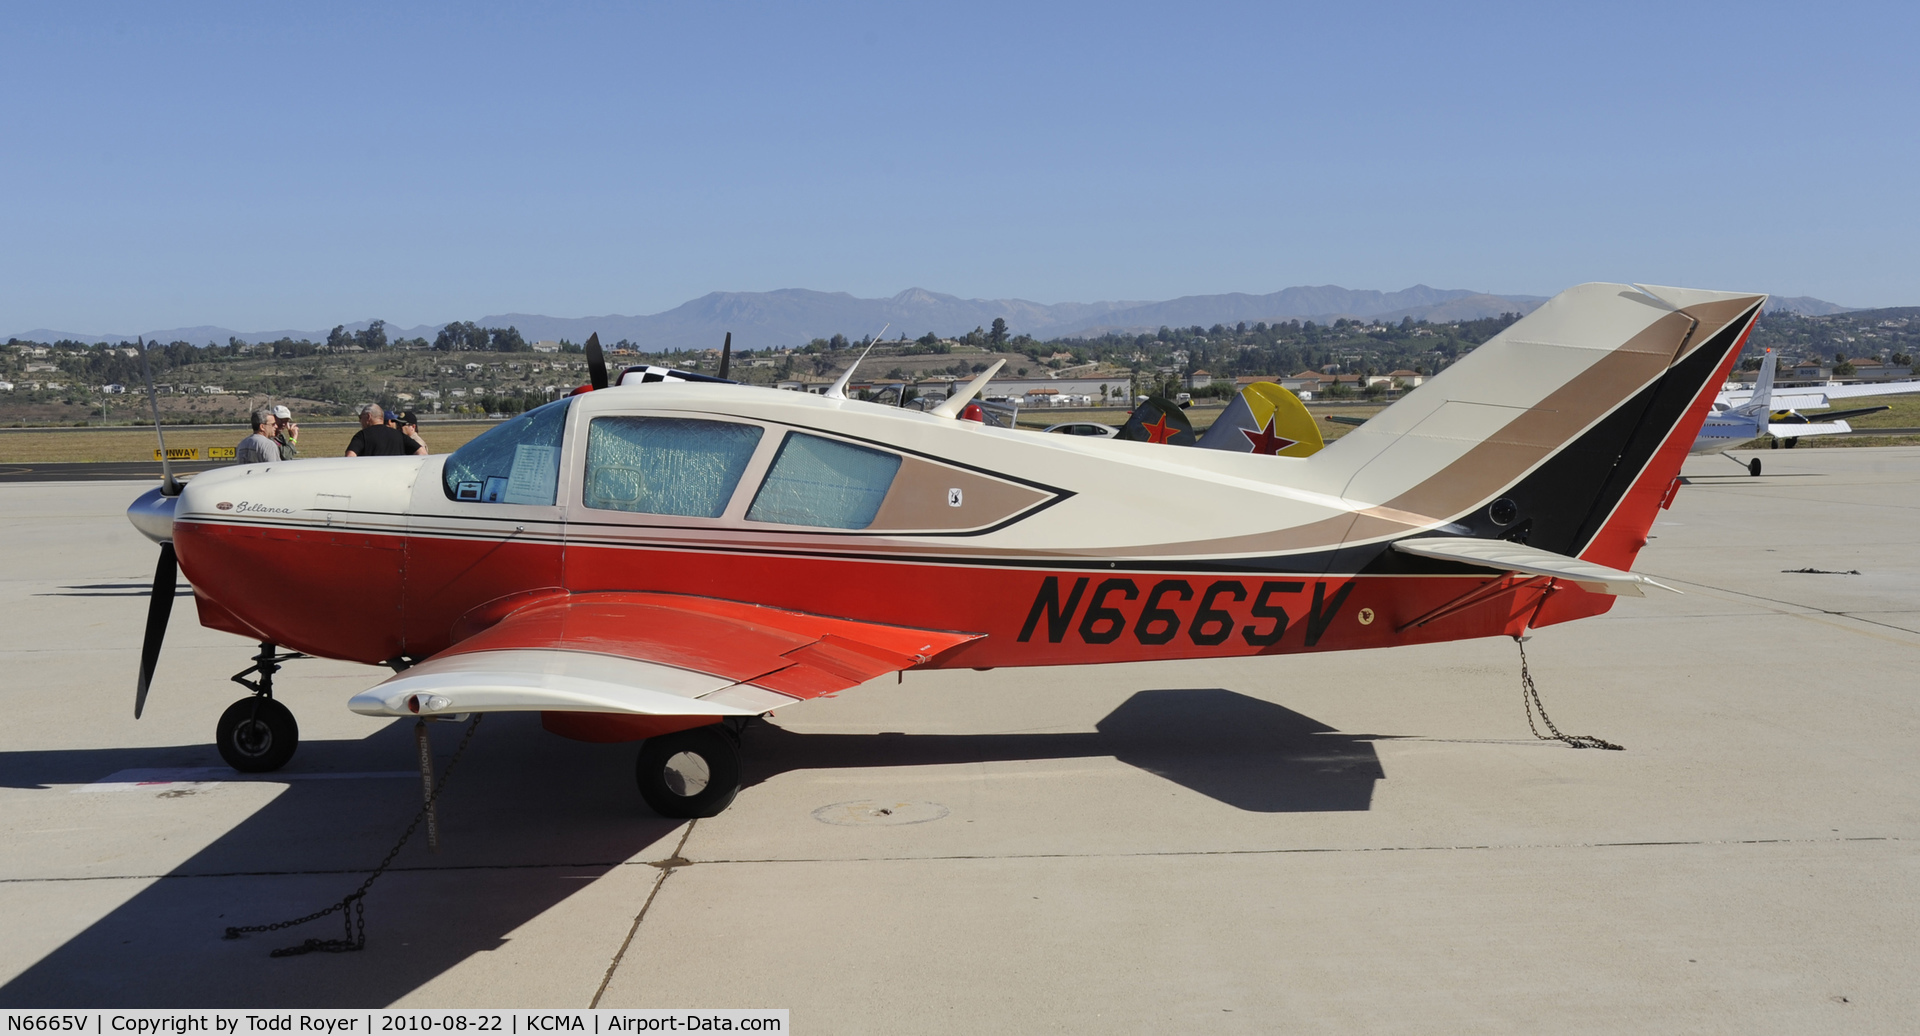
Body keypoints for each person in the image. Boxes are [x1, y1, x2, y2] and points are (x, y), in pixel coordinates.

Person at [345, 403, 421, 457]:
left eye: (360, 417)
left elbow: (350, 457)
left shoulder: (362, 436)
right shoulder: (400, 435)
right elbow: (421, 453)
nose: (360, 421)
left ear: (368, 416)